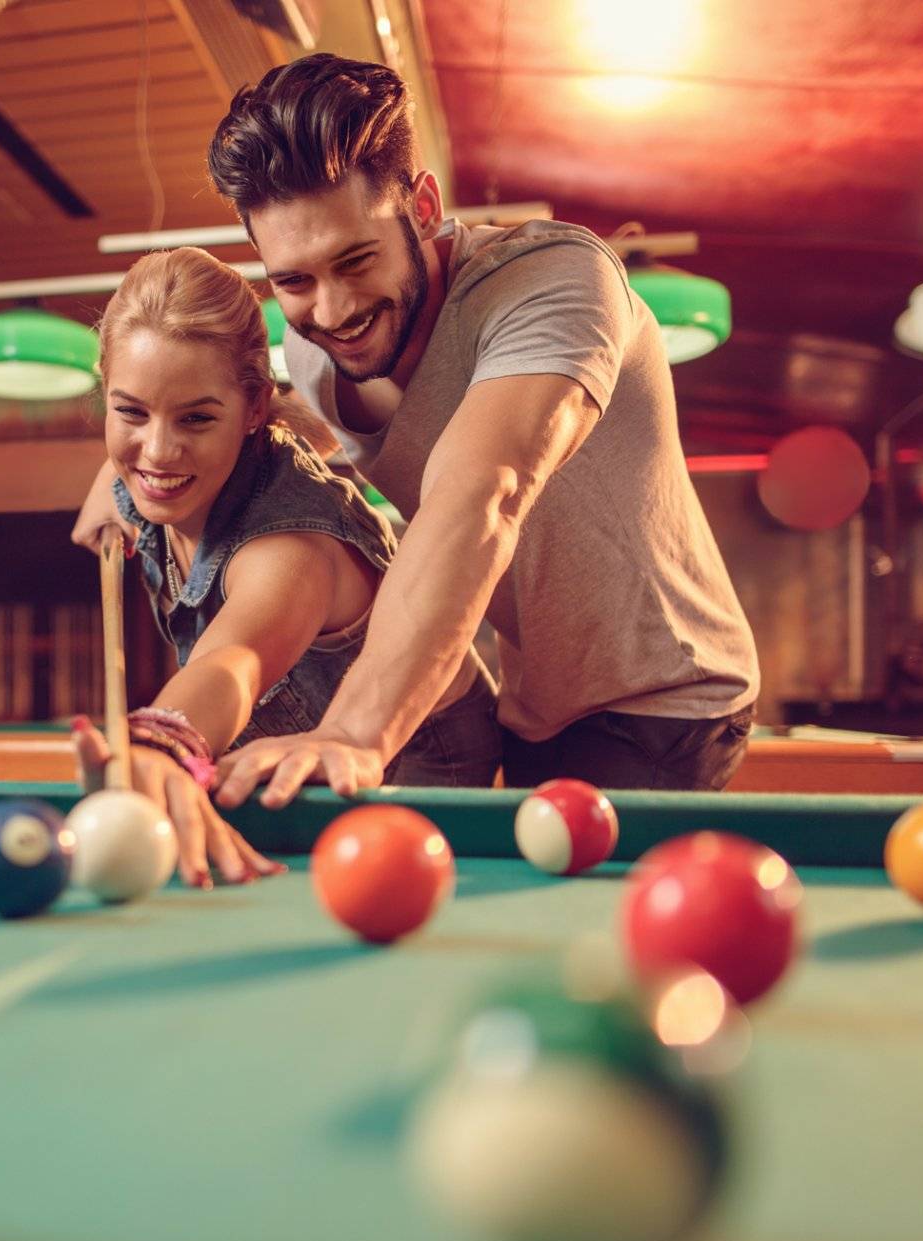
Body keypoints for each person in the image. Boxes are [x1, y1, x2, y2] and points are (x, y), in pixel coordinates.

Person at [76, 54, 758, 808]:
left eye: (356, 259)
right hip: (530, 703)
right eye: (294, 280)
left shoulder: (554, 282)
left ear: (424, 207)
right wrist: (138, 463)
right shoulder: (310, 353)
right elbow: (267, 428)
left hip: (662, 695)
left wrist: (354, 733)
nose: (332, 311)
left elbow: (481, 495)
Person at [69, 246, 499, 888]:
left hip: (420, 765)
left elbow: (231, 662)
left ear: (253, 411)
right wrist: (111, 484)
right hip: (284, 742)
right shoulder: (152, 478)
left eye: (196, 418)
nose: (156, 450)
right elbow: (135, 457)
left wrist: (160, 739)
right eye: (130, 411)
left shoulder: (291, 546)